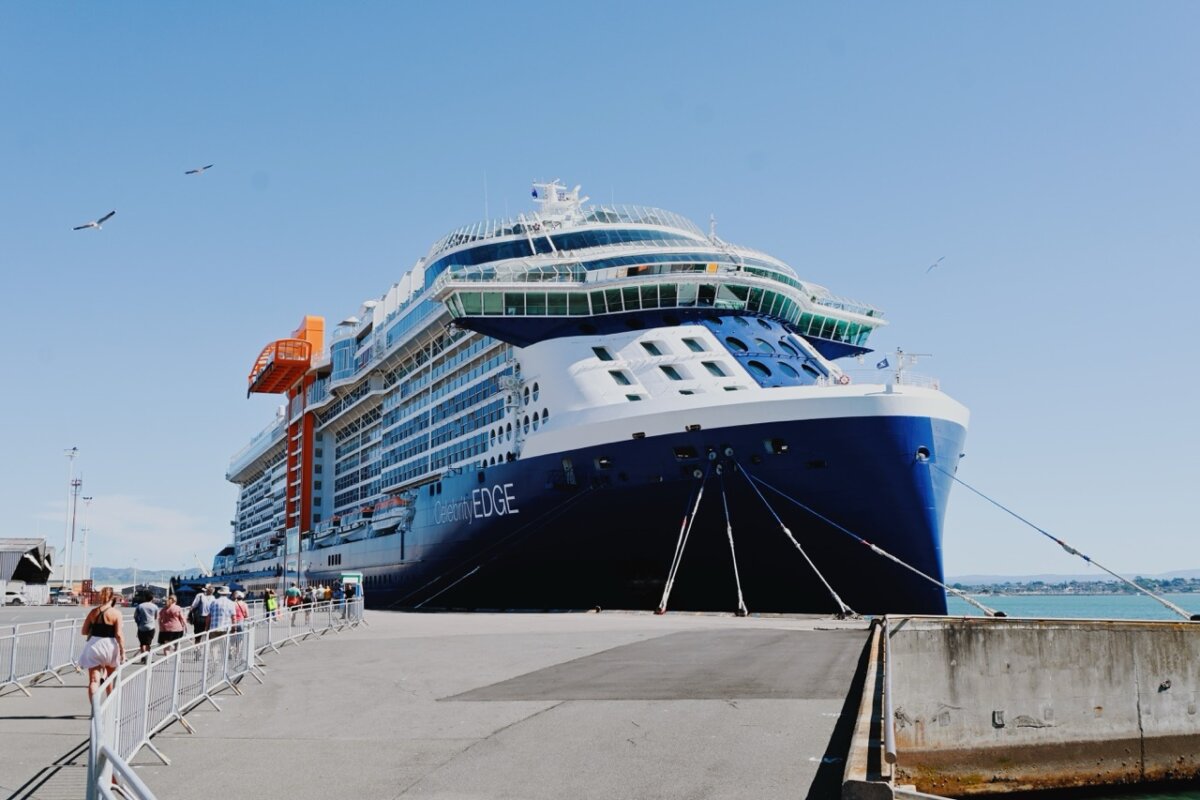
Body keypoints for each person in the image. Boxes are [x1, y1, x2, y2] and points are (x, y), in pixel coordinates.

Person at [80, 586, 125, 702]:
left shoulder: (93, 612)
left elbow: (84, 631)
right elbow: (119, 634)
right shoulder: (116, 613)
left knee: (94, 680)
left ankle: (95, 711)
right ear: (112, 597)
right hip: (110, 646)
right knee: (110, 678)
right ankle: (110, 707)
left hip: (94, 645)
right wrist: (122, 651)